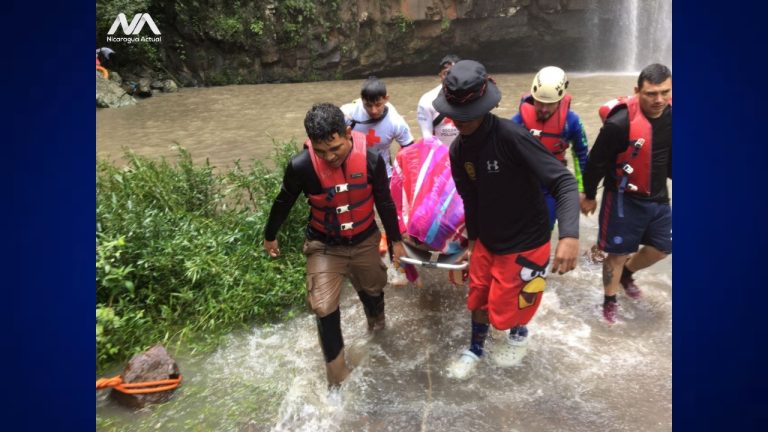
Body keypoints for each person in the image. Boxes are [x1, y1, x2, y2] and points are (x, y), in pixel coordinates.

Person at [433, 60, 580, 379]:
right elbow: (470, 200)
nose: (459, 122)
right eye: (455, 115)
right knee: (478, 295)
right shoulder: (458, 151)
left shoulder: (512, 137)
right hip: (488, 238)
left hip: (526, 238)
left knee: (510, 308)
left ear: (484, 107)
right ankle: (475, 347)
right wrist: (471, 244)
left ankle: (519, 334)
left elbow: (564, 182)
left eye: (467, 114)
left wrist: (568, 235)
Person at [263, 103, 406, 388]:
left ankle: (377, 331)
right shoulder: (301, 166)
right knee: (323, 306)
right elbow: (284, 201)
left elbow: (385, 202)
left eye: (335, 148)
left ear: (348, 133)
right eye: (321, 151)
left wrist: (396, 241)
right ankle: (337, 378)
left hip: (365, 239)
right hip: (324, 245)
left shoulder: (371, 161)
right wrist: (270, 235)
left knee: (373, 290)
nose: (329, 157)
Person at [580, 63, 672, 324]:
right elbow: (596, 162)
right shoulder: (619, 124)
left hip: (658, 196)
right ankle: (609, 301)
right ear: (637, 91)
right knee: (617, 253)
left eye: (664, 92)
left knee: (663, 248)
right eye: (651, 93)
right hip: (622, 197)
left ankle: (628, 274)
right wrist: (588, 195)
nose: (659, 100)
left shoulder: (673, 116)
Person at [512, 66, 589, 230]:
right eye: (539, 102)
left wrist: (583, 190)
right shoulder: (519, 120)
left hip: (551, 184)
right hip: (523, 183)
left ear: (560, 100)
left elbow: (581, 154)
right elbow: (503, 152)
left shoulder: (572, 122)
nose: (544, 109)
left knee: (544, 229)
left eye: (550, 104)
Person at [341, 76, 414, 177]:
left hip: (382, 171)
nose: (373, 110)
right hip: (353, 169)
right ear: (362, 100)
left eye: (378, 104)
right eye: (368, 105)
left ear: (386, 99)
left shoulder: (396, 122)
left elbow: (410, 150)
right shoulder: (348, 113)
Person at [417, 55, 461, 146]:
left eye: (455, 73)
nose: (450, 78)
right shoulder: (427, 100)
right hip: (439, 154)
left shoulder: (472, 96)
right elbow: (427, 137)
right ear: (440, 76)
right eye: (446, 73)